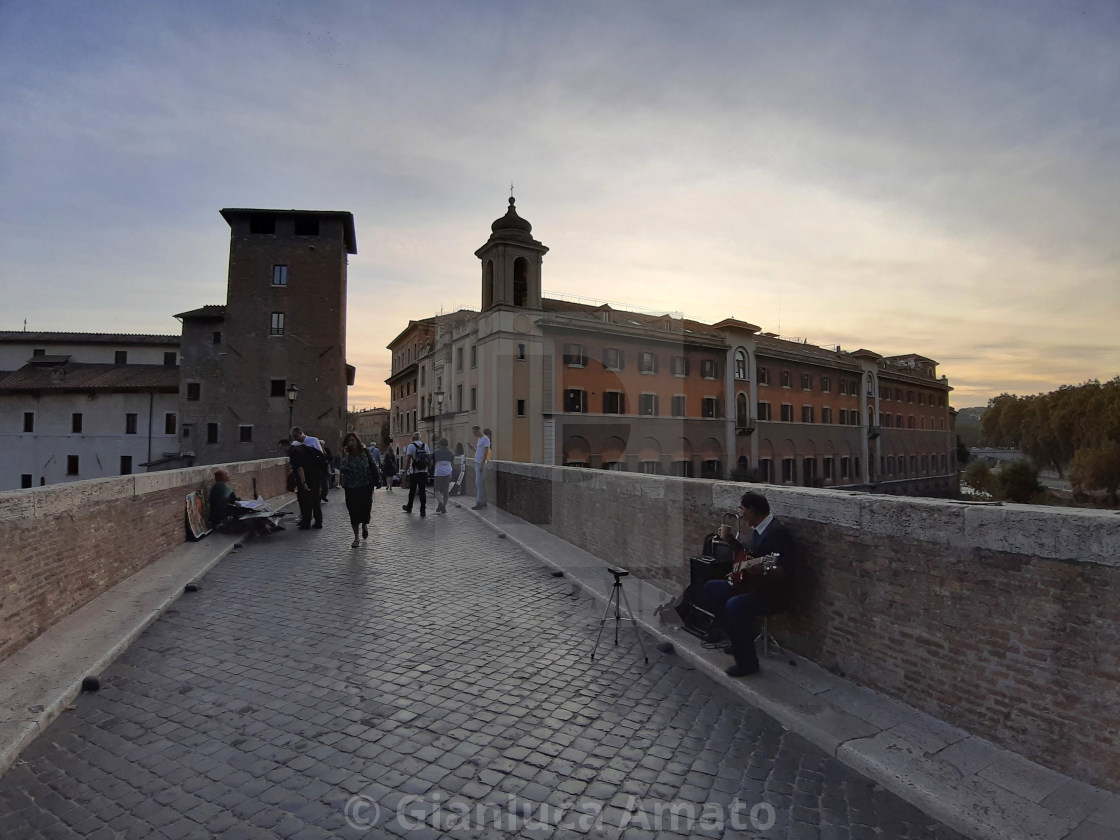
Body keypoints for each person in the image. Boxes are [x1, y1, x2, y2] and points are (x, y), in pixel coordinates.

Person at [702, 491, 797, 677]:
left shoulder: (777, 533)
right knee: (712, 588)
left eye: (742, 509)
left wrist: (762, 569)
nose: (740, 513)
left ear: (752, 510)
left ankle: (747, 663)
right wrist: (730, 540)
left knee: (735, 605)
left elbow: (782, 566)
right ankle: (737, 639)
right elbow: (751, 556)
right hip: (752, 585)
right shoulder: (759, 531)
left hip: (772, 593)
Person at [338, 432, 376, 547]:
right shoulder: (346, 455)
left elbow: (373, 465)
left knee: (365, 509)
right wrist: (345, 455)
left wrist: (377, 481)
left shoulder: (365, 452)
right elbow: (343, 469)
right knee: (353, 512)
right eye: (348, 441)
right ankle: (356, 538)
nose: (351, 443)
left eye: (352, 440)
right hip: (350, 487)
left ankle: (364, 525)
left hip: (366, 485)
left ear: (357, 441)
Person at [289, 425, 326, 530]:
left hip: (312, 475)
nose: (295, 439)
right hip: (306, 475)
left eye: (296, 436)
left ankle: (315, 522)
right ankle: (307, 520)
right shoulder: (296, 445)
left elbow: (320, 457)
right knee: (304, 499)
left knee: (313, 499)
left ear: (300, 433)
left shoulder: (313, 441)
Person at [401, 432, 429, 516]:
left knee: (412, 491)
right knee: (422, 491)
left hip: (414, 472)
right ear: (420, 438)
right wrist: (429, 469)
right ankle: (423, 510)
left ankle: (409, 507)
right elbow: (429, 458)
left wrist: (405, 472)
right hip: (424, 471)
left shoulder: (411, 446)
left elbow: (409, 459)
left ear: (413, 438)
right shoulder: (425, 446)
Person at [431, 437, 455, 514]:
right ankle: (444, 507)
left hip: (439, 472)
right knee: (446, 490)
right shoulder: (451, 452)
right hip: (448, 471)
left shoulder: (436, 452)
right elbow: (453, 463)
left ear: (440, 444)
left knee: (437, 489)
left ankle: (440, 503)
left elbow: (432, 462)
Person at [471, 425, 490, 510]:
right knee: (480, 483)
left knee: (479, 483)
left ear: (478, 431)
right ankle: (484, 501)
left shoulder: (485, 439)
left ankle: (479, 503)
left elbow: (486, 453)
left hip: (481, 464)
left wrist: (482, 465)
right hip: (477, 463)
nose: (473, 434)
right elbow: (480, 451)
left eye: (474, 432)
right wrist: (473, 449)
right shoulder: (479, 439)